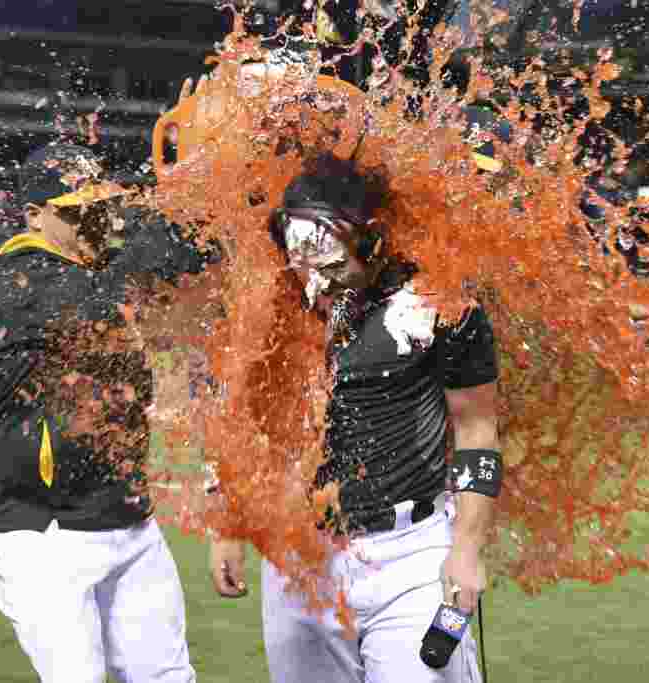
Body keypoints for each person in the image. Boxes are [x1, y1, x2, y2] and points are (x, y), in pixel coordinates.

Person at [209, 154, 501, 683]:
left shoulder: (440, 305)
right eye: (304, 266)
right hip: (299, 559)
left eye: (333, 266)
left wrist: (467, 552)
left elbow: (478, 430)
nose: (318, 284)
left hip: (411, 556)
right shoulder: (273, 308)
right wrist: (231, 522)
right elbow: (248, 418)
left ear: (372, 242)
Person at [0, 142, 202, 683]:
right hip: (43, 533)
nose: (92, 221)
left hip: (127, 516)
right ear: (33, 216)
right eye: (73, 212)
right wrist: (183, 189)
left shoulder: (85, 268)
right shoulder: (15, 279)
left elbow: (180, 264)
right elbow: (129, 284)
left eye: (98, 206)